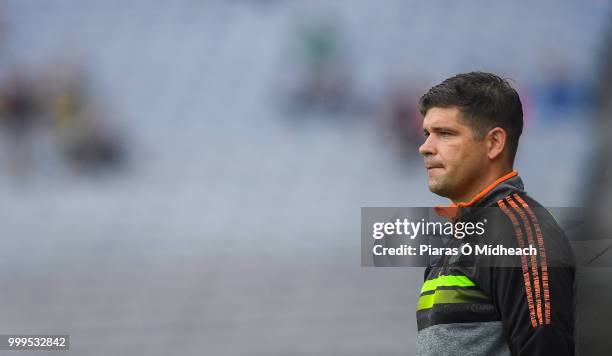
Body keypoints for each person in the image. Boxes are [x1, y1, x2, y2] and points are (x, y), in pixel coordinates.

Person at [416, 72, 575, 355]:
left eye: (445, 133)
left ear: (494, 143)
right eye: (427, 134)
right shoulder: (461, 236)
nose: (425, 147)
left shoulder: (519, 232)